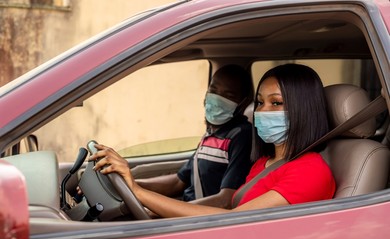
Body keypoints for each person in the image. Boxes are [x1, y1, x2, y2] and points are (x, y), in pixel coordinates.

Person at [89, 63, 336, 218]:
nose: (262, 111)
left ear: (304, 109)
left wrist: (137, 191)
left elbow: (232, 219)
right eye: (260, 102)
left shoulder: (310, 171)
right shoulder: (264, 162)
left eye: (276, 103)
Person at [127, 64, 254, 209]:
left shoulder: (241, 136)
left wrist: (165, 212)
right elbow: (178, 182)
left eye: (228, 96)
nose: (217, 98)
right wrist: (132, 184)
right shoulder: (211, 134)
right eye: (213, 91)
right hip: (187, 211)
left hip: (197, 221)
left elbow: (226, 200)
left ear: (243, 102)